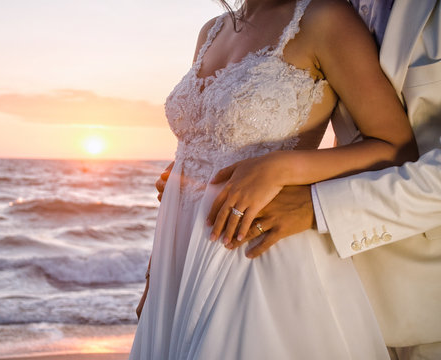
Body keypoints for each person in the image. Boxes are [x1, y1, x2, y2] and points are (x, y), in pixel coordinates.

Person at [130, 0, 418, 358]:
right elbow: (191, 148)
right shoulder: (212, 30)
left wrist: (282, 167)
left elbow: (396, 147)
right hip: (181, 260)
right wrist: (154, 276)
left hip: (257, 253)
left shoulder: (325, 18)